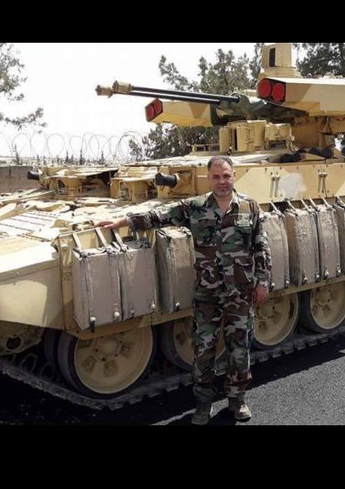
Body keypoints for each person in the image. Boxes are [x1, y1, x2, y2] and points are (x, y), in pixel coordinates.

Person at [98, 155, 271, 425]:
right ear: (209, 179)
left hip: (240, 293)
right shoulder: (196, 207)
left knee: (240, 351)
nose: (222, 181)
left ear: (234, 176)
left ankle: (237, 400)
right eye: (216, 177)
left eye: (226, 176)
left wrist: (262, 282)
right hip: (207, 295)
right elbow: (160, 216)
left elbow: (261, 246)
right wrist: (125, 221)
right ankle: (203, 404)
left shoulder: (250, 207)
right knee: (203, 352)